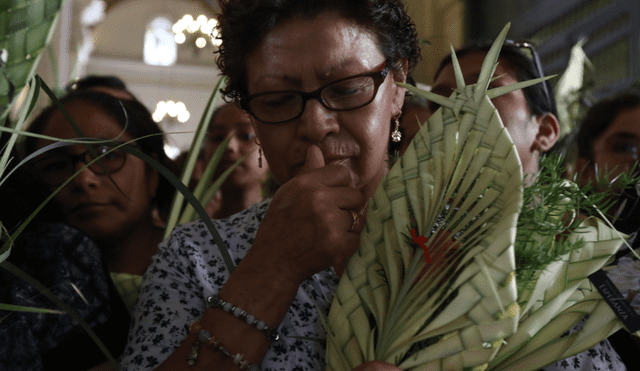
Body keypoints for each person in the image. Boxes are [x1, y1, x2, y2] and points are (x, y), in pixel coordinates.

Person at [120, 0, 418, 370]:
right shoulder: (196, 259)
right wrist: (273, 267)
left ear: (399, 85)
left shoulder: (466, 237)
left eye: (345, 90)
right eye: (278, 101)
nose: (315, 124)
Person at [430, 43, 629, 371]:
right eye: (440, 99)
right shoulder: (411, 247)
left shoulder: (597, 248)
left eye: (486, 88)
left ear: (546, 131)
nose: (458, 106)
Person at [22, 89, 177, 312]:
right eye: (56, 165)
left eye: (108, 155)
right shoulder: (26, 292)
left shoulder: (204, 270)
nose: (84, 179)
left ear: (152, 172)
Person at [200, 102, 270, 219]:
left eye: (246, 136)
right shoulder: (189, 232)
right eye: (218, 137)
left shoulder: (289, 224)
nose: (229, 146)